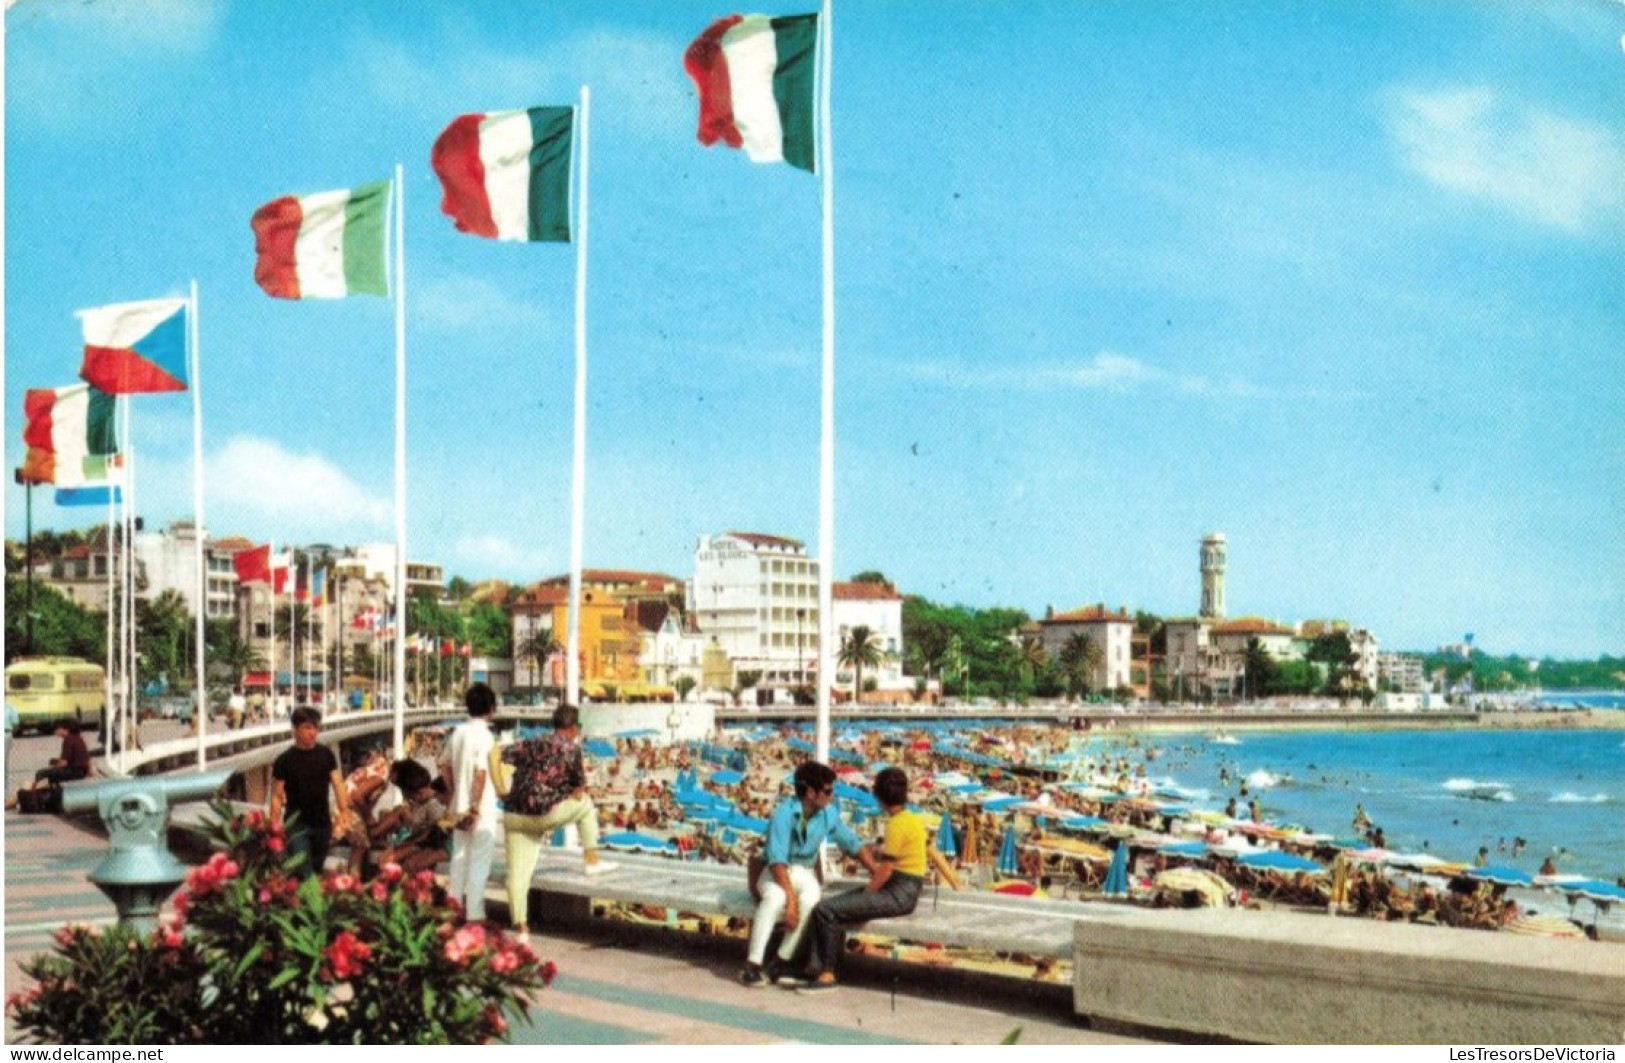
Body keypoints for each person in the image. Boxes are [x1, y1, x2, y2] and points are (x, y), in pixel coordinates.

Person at [799, 767, 961, 994]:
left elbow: (886, 870)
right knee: (828, 908)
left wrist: (867, 893)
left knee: (827, 910)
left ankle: (827, 972)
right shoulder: (912, 819)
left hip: (897, 891)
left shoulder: (894, 825)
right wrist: (955, 882)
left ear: (879, 797)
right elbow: (929, 852)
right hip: (906, 889)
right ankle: (816, 967)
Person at [740, 761, 877, 988]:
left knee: (811, 900)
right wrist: (790, 900)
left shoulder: (828, 814)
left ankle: (780, 961)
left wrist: (876, 872)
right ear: (811, 793)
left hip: (804, 871)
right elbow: (776, 862)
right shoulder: (783, 815)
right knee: (776, 898)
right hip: (775, 873)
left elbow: (852, 844)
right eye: (828, 791)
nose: (832, 796)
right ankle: (752, 965)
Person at [496, 703, 618, 943]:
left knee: (516, 876)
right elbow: (579, 789)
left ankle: (521, 928)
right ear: (572, 728)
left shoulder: (529, 743)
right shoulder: (571, 749)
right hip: (545, 814)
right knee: (586, 806)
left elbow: (495, 754)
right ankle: (591, 861)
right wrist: (569, 795)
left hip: (515, 815)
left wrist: (501, 788)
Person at [268, 707, 352, 878]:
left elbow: (338, 784)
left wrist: (344, 812)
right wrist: (274, 826)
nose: (312, 732)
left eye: (315, 728)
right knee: (303, 868)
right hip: (296, 825)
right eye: (307, 727)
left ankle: (304, 902)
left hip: (322, 824)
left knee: (316, 869)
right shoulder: (283, 761)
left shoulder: (326, 755)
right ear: (295, 729)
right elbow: (276, 797)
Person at [439, 683, 498, 922]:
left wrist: (455, 794)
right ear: (491, 708)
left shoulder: (458, 732)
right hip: (480, 809)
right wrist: (474, 807)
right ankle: (475, 914)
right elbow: (481, 774)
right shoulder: (485, 736)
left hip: (457, 806)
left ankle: (452, 909)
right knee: (479, 863)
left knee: (459, 859)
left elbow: (443, 766)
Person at [370, 759, 450, 876]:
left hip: (425, 843)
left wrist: (404, 844)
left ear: (418, 792)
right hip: (417, 840)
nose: (407, 797)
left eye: (407, 794)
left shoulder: (433, 805)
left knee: (389, 861)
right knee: (384, 859)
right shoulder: (419, 802)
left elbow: (430, 837)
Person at [28, 721, 92, 795]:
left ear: (62, 729)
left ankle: (34, 795)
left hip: (74, 771)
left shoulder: (68, 740)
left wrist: (55, 765)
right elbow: (86, 757)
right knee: (53, 776)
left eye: (56, 730)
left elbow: (64, 763)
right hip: (82, 771)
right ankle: (52, 794)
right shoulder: (78, 738)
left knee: (41, 773)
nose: (55, 733)